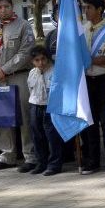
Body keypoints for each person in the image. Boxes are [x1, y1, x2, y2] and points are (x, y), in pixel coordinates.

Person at [0, 0, 36, 172]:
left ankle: (30, 156)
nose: (3, 10)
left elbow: (26, 51)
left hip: (18, 75)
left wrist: (4, 69)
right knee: (2, 118)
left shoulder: (23, 25)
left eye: (6, 6)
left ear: (12, 7)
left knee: (24, 117)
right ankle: (7, 156)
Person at [80, 0, 105, 174]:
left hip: (104, 80)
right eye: (84, 7)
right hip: (87, 80)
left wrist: (87, 60)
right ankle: (92, 160)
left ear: (99, 10)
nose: (85, 11)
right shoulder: (83, 29)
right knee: (89, 121)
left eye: (89, 7)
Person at [27, 46, 64, 176]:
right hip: (35, 105)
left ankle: (54, 164)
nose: (41, 63)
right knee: (37, 136)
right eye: (37, 60)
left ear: (48, 58)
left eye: (43, 59)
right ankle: (41, 162)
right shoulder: (32, 73)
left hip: (51, 106)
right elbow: (31, 90)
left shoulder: (55, 71)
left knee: (52, 136)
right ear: (32, 61)